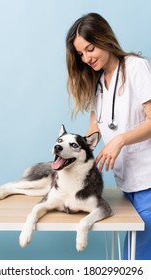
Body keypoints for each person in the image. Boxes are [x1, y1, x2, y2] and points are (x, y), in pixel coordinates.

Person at [66, 12, 151, 260]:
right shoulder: (100, 81)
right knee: (130, 255)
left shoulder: (136, 68)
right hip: (128, 182)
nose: (86, 58)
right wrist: (71, 154)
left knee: (135, 259)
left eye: (90, 49)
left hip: (149, 180)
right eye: (81, 54)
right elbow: (93, 131)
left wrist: (120, 140)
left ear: (104, 39)